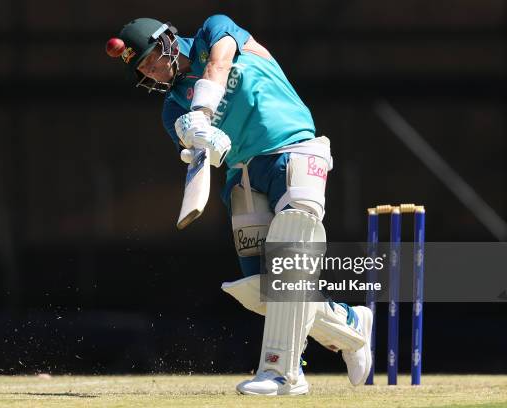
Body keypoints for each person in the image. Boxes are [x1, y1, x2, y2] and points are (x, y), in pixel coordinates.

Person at [106, 15, 373, 396]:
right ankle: (350, 324)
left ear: (165, 39)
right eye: (142, 69)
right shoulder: (171, 109)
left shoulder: (213, 31)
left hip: (294, 147)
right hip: (244, 174)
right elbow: (206, 155)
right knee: (262, 290)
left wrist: (201, 112)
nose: (150, 70)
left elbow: (220, 62)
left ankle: (282, 373)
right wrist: (198, 140)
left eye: (149, 58)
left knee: (293, 237)